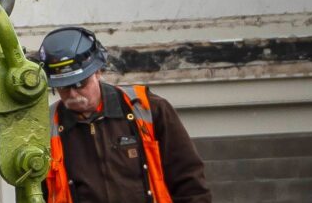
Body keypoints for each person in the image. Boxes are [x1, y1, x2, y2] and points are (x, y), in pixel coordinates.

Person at [39, 27, 213, 202]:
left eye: (79, 84)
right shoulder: (45, 128)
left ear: (98, 72)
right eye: (63, 87)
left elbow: (189, 182)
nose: (73, 95)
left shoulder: (149, 109)